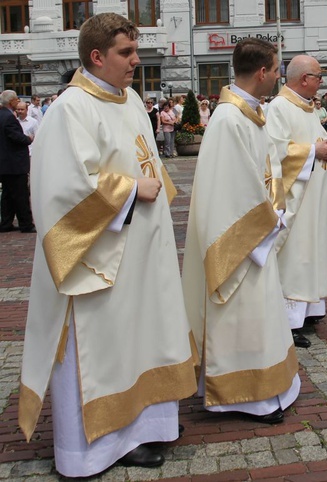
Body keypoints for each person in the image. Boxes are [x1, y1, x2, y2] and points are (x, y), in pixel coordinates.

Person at [17, 13, 197, 478]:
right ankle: (94, 449)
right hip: (98, 261)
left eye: (135, 51)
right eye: (126, 53)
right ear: (97, 57)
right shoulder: (70, 109)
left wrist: (148, 187)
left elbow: (147, 160)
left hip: (142, 253)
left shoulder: (131, 99)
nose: (136, 61)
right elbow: (62, 191)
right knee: (101, 350)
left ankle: (144, 428)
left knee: (140, 339)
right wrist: (132, 189)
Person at [182, 37, 299, 425]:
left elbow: (268, 172)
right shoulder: (229, 119)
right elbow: (230, 190)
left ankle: (263, 387)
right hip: (241, 242)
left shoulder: (251, 112)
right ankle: (241, 395)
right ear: (263, 72)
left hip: (259, 234)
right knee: (241, 316)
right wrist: (267, 220)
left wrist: (276, 208)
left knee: (259, 315)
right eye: (278, 68)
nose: (280, 75)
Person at [265, 55, 327, 349]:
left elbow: (317, 143)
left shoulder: (309, 108)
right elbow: (275, 150)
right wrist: (314, 151)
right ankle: (288, 320)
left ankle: (310, 310)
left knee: (313, 251)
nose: (321, 82)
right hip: (296, 198)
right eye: (318, 76)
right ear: (303, 78)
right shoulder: (279, 107)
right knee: (295, 255)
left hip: (316, 196)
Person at [0, 90, 34, 233]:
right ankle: (26, 223)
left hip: (6, 163)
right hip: (14, 163)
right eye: (16, 99)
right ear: (11, 101)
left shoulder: (2, 115)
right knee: (21, 195)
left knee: (7, 195)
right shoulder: (8, 117)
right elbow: (16, 137)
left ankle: (6, 223)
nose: (17, 101)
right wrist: (28, 139)